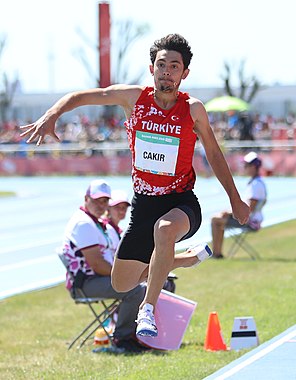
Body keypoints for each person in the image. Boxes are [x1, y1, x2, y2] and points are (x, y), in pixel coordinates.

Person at [20, 33, 250, 338]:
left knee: (165, 230)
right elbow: (84, 96)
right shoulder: (133, 99)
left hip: (180, 202)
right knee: (121, 283)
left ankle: (147, 310)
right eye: (161, 64)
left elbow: (214, 153)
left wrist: (235, 199)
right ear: (151, 68)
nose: (166, 70)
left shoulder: (193, 109)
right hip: (144, 205)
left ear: (185, 73)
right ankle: (181, 259)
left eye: (174, 66)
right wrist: (53, 113)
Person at [61, 179, 148, 353]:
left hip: (95, 279)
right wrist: (130, 277)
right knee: (135, 288)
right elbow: (97, 265)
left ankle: (139, 335)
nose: (101, 205)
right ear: (86, 199)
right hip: (85, 283)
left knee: (143, 284)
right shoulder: (84, 223)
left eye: (105, 201)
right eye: (96, 200)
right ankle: (123, 338)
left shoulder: (93, 221)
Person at [211, 152, 267, 259]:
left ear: (254, 167)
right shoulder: (257, 182)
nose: (244, 168)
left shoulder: (256, 184)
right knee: (220, 218)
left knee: (215, 220)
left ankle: (216, 254)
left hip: (251, 222)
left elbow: (249, 209)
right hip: (252, 219)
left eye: (246, 166)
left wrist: (228, 212)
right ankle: (217, 253)